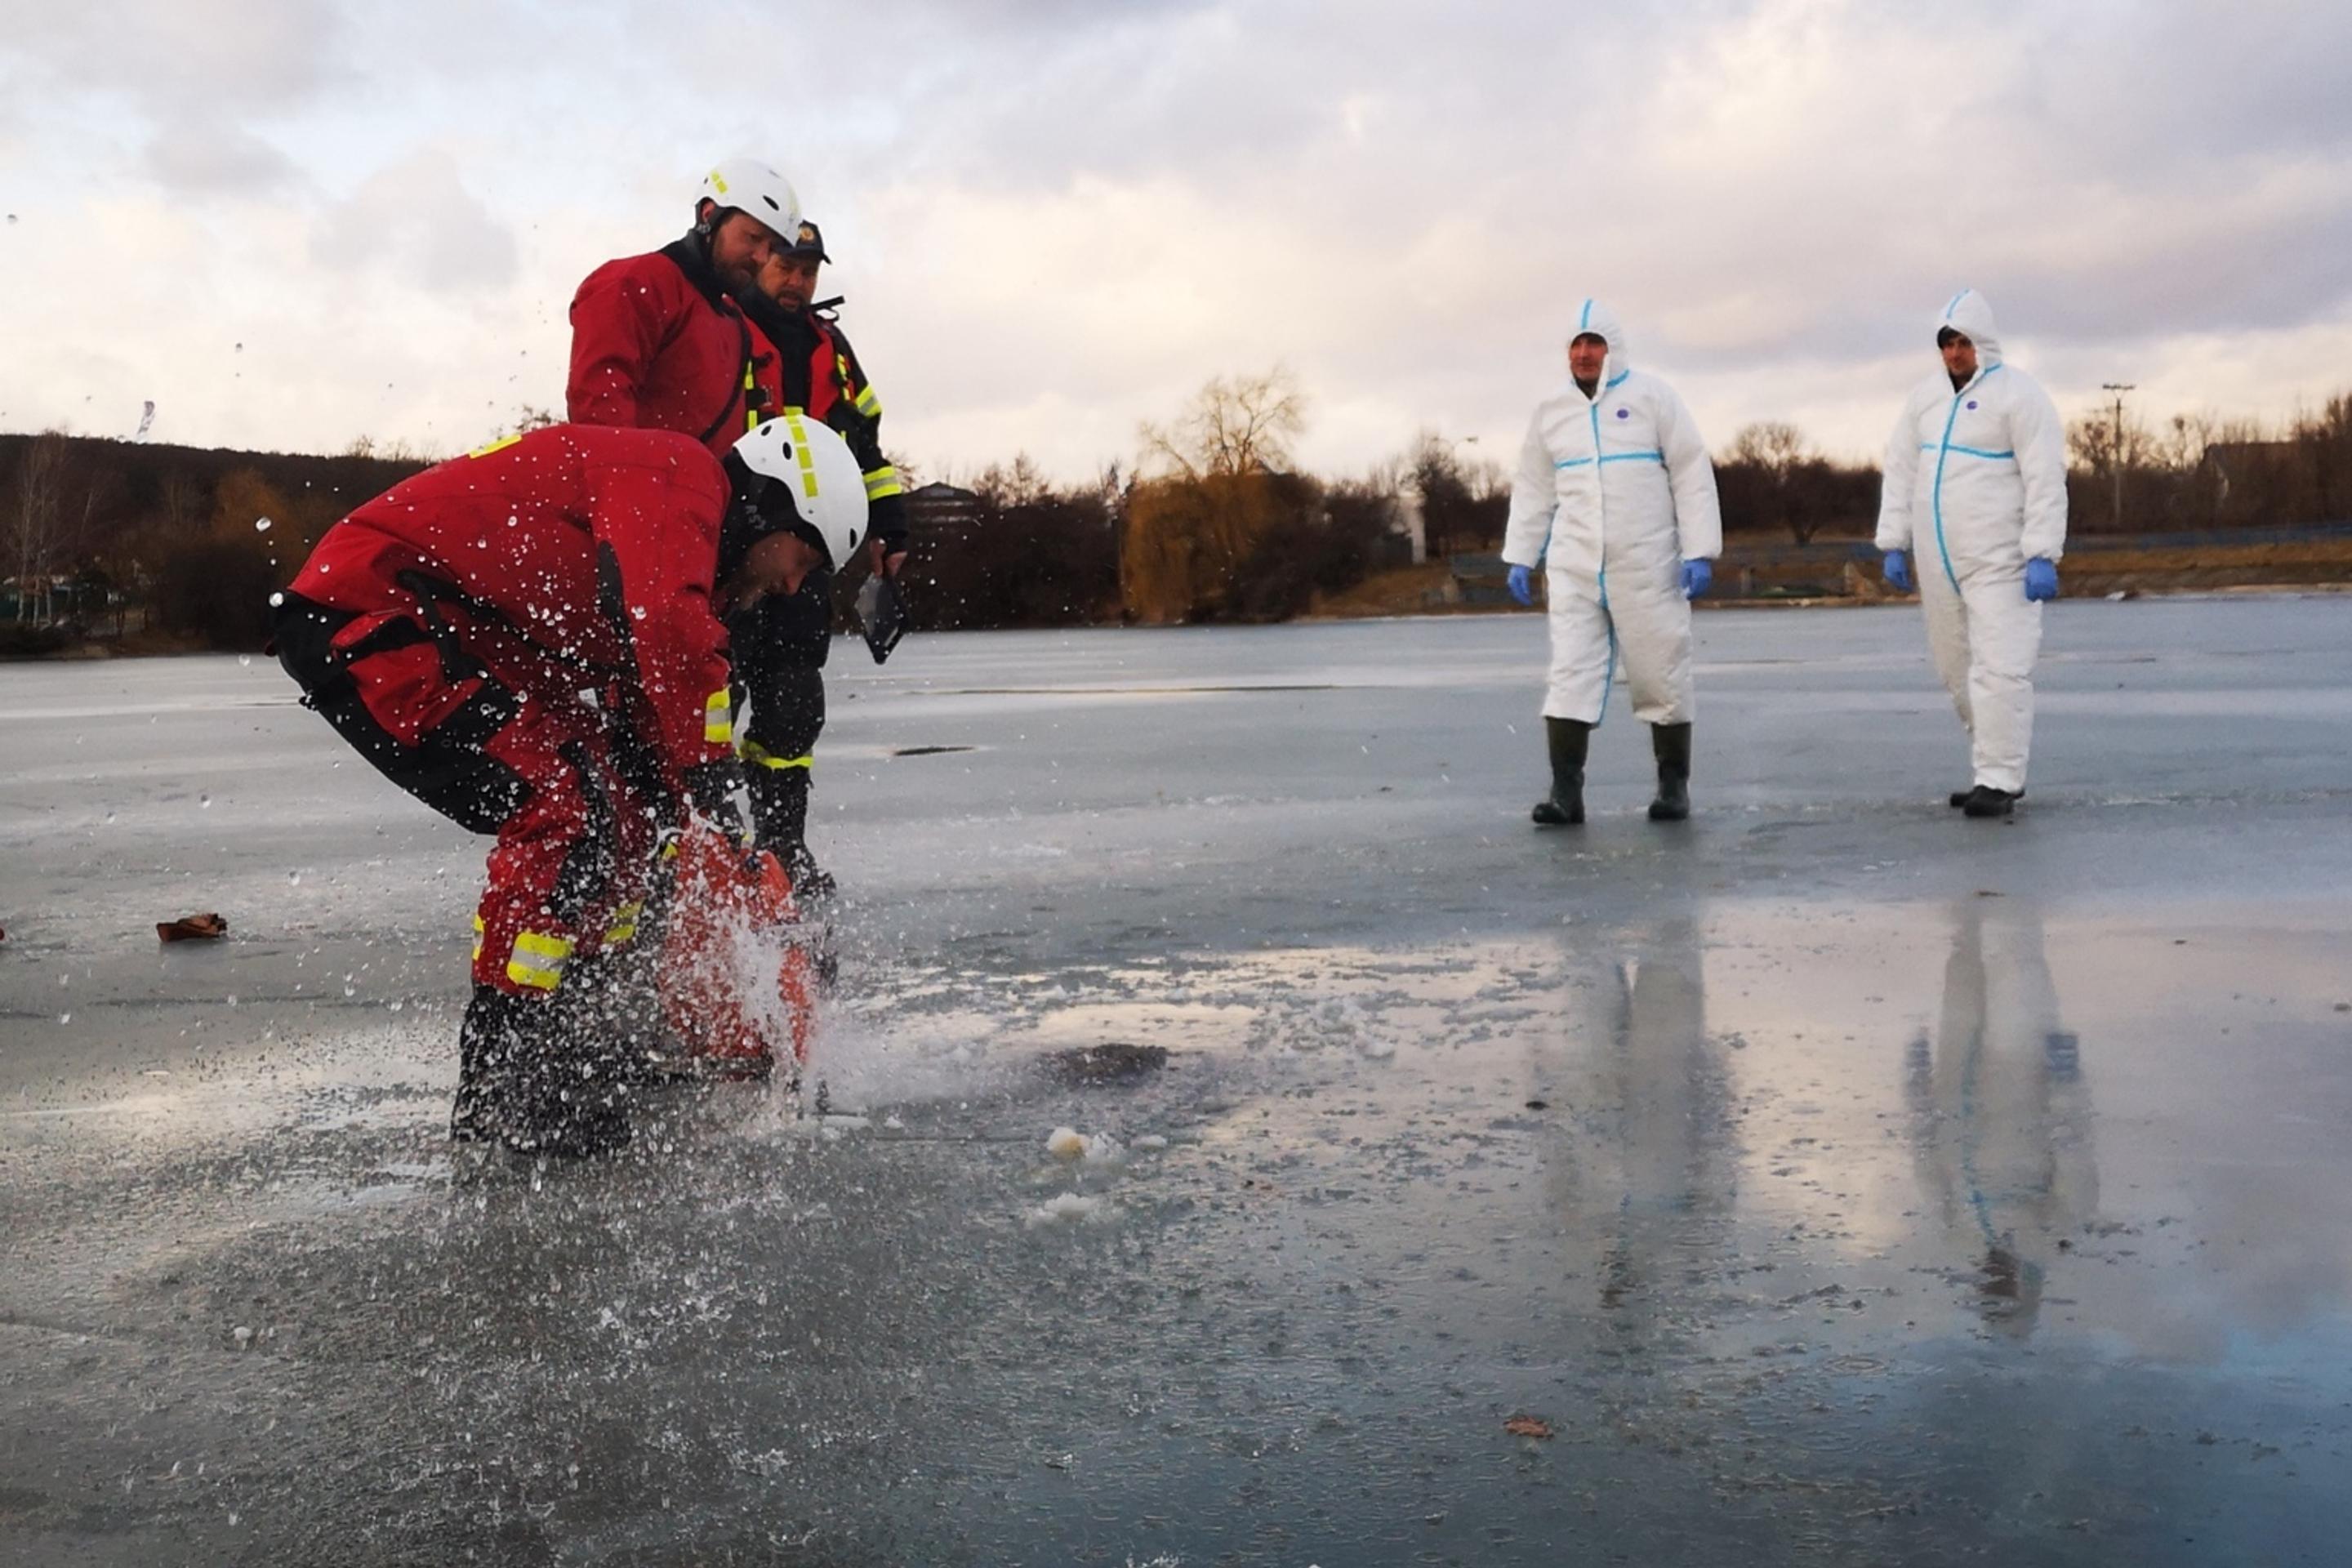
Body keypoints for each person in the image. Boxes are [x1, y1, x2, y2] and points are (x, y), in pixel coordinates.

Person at [270, 420, 869, 1156]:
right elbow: (670, 632)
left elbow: (647, 693)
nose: (793, 585)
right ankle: (504, 1078)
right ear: (776, 507)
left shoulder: (678, 541)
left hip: (445, 634)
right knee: (564, 808)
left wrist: (685, 807)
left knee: (625, 813)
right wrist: (712, 789)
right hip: (373, 615)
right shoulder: (681, 477)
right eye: (804, 558)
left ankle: (574, 1037)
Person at [727, 219, 911, 894]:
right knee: (709, 699)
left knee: (795, 702)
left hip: (805, 558)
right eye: (787, 265)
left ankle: (783, 846)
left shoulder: (834, 350)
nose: (798, 280)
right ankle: (692, 851)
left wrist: (890, 529)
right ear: (759, 261)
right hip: (730, 551)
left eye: (809, 270)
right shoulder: (722, 327)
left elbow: (868, 449)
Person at [1500, 299, 1722, 826]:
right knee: (1570, 673)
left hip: (1647, 563)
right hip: (1575, 566)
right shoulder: (1551, 412)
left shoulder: (1653, 398)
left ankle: (1673, 788)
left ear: (1613, 349)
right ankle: (1565, 794)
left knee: (1660, 671)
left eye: (1594, 343)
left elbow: (1691, 471)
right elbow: (1533, 488)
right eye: (1576, 344)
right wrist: (1520, 555)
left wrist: (1700, 549)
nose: (1584, 354)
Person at [1875, 289, 2068, 818]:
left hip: (1999, 559)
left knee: (2001, 667)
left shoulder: (2019, 395)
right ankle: (1990, 766)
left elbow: (2045, 476)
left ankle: (2001, 779)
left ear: (1982, 343)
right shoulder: (1924, 400)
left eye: (1963, 342)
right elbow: (1900, 469)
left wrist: (2042, 551)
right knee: (1955, 667)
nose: (1955, 353)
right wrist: (1893, 541)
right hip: (1939, 561)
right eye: (1947, 343)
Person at [566, 158, 802, 457]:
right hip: (638, 482)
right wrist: (633, 477)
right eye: (753, 238)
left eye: (772, 247)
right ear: (709, 214)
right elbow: (599, 410)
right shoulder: (636, 283)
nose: (761, 257)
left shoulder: (736, 324)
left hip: (698, 487)